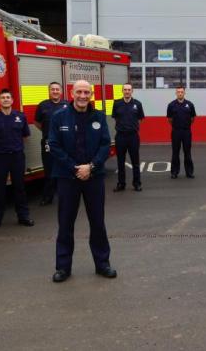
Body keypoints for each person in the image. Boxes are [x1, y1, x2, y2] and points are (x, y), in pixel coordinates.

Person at [47, 80, 116, 282]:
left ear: (91, 94)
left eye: (87, 92)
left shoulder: (99, 117)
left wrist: (91, 166)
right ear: (72, 93)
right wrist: (74, 167)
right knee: (65, 224)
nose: (83, 96)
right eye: (79, 92)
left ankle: (103, 264)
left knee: (97, 223)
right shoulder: (59, 117)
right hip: (68, 177)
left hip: (94, 177)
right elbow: (54, 144)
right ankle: (63, 267)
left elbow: (105, 145)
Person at [0, 89, 34, 230]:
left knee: (19, 188)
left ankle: (23, 216)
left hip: (17, 156)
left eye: (8, 97)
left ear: (12, 100)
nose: (6, 99)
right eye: (3, 98)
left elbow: (25, 136)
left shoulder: (20, 116)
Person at [34, 82, 67, 205]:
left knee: (65, 169)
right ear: (49, 91)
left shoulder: (67, 105)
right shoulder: (43, 105)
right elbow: (37, 122)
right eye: (52, 89)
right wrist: (48, 132)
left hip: (64, 143)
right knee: (49, 170)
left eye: (57, 89)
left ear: (61, 91)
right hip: (48, 142)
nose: (55, 91)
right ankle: (48, 197)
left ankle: (65, 196)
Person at [111, 83, 145, 192]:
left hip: (133, 137)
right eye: (125, 89)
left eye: (129, 90)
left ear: (132, 91)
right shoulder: (117, 103)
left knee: (135, 162)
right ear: (122, 91)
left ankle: (137, 183)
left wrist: (132, 127)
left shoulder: (137, 104)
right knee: (120, 162)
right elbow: (115, 118)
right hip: (120, 136)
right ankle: (121, 184)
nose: (127, 91)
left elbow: (140, 119)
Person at [167, 85, 197, 179]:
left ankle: (189, 172)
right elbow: (170, 119)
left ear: (184, 93)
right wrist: (176, 126)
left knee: (187, 152)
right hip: (176, 131)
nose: (180, 93)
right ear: (176, 93)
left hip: (186, 132)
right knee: (175, 152)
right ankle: (174, 172)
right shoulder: (171, 105)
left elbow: (192, 118)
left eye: (182, 92)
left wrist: (186, 125)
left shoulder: (190, 104)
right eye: (178, 92)